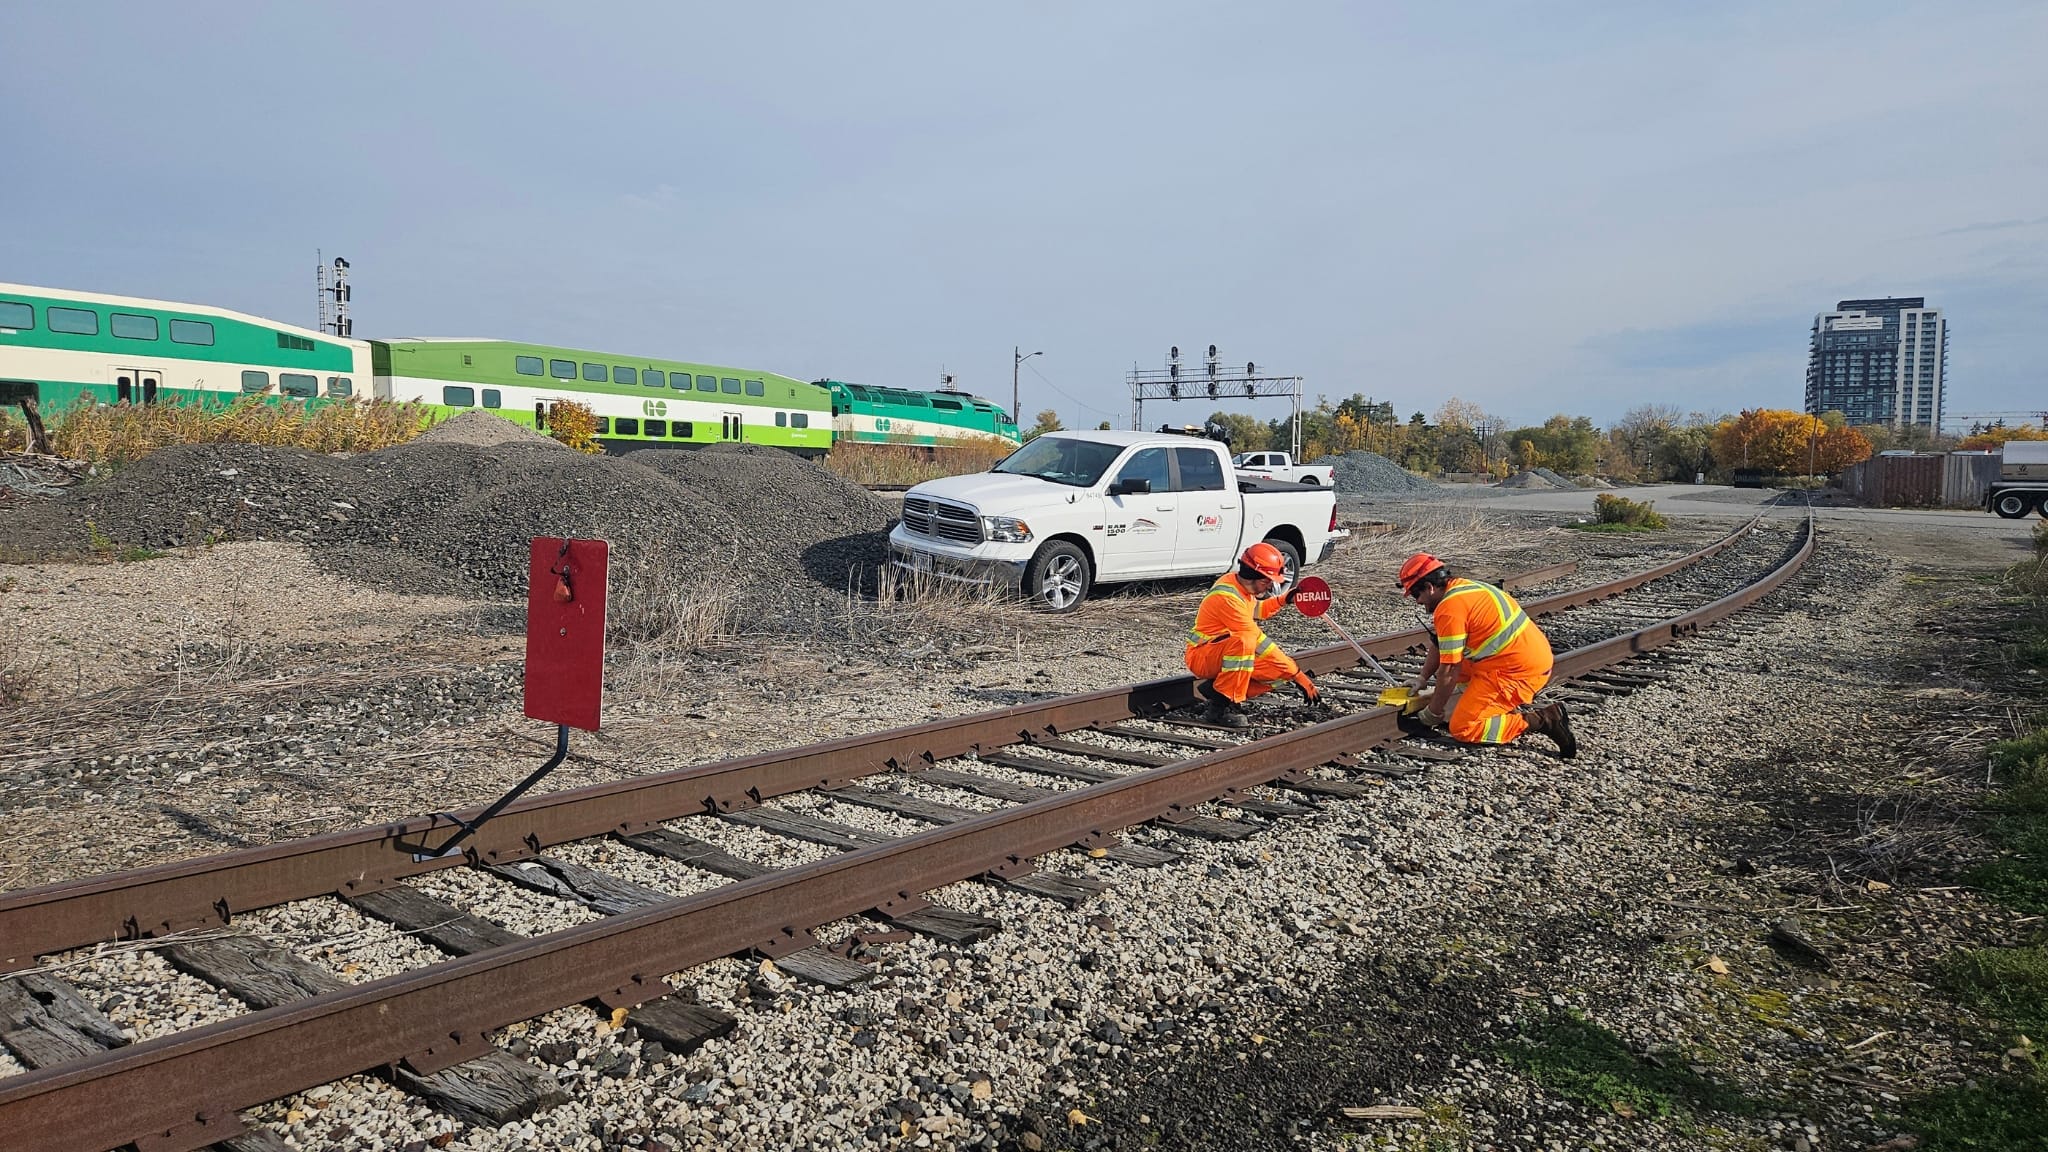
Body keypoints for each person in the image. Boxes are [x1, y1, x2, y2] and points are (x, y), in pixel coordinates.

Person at [1396, 553, 1577, 758]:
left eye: (1415, 595)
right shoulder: (1465, 588)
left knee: (1463, 728)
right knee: (1457, 664)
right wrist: (1423, 678)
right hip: (1518, 658)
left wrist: (1433, 713)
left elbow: (1449, 668)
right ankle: (1485, 705)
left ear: (1429, 587)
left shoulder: (1450, 608)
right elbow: (1440, 643)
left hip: (1516, 672)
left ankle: (1545, 720)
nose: (1418, 602)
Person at [1185, 542, 1322, 727]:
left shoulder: (1239, 586)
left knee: (1280, 673)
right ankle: (1220, 709)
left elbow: (1257, 610)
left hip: (1219, 651)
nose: (1270, 586)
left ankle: (1217, 691)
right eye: (1268, 581)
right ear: (1255, 577)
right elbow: (1258, 640)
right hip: (1202, 656)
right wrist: (1297, 673)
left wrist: (1283, 600)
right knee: (1246, 641)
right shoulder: (1227, 598)